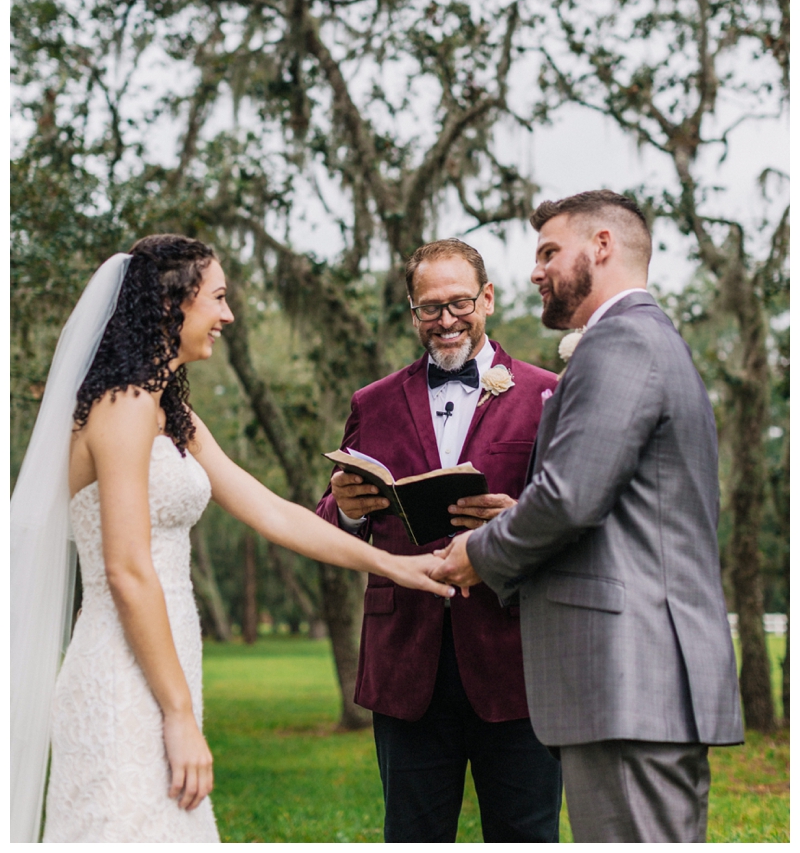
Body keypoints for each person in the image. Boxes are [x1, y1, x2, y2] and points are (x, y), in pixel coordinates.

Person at [10, 235, 454, 843]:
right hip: (121, 676)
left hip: (164, 666)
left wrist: (398, 565)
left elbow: (274, 512)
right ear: (173, 304)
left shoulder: (171, 413)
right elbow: (126, 569)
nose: (228, 315)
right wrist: (177, 715)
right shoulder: (123, 405)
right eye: (217, 298)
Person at [433, 191, 744, 843]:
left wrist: (478, 553)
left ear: (601, 246)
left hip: (633, 675)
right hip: (637, 682)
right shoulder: (648, 341)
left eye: (549, 251)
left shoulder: (621, 341)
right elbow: (620, 505)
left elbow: (570, 498)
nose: (536, 270)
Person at [316, 238, 562, 843]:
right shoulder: (371, 403)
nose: (446, 321)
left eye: (459, 303)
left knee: (526, 834)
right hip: (406, 664)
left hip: (516, 659)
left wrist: (517, 519)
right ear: (412, 311)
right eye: (430, 308)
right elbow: (324, 524)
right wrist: (345, 511)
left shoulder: (546, 393)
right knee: (413, 835)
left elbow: (574, 513)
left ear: (488, 299)